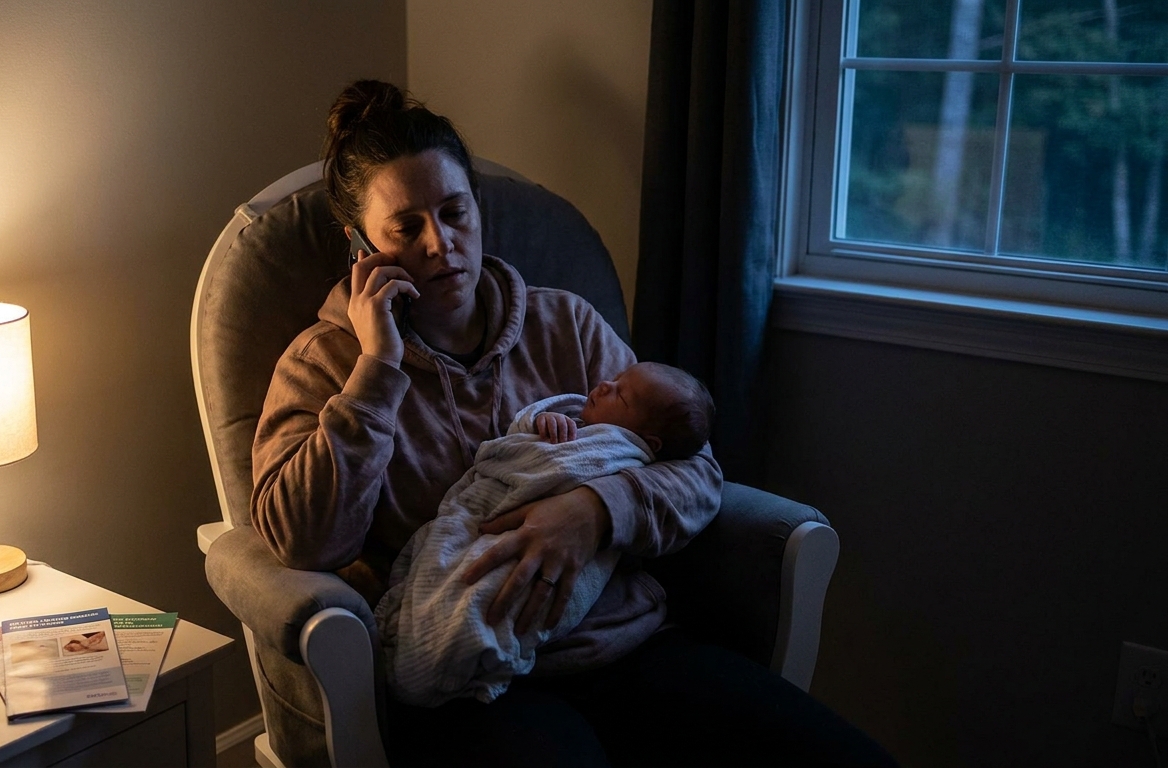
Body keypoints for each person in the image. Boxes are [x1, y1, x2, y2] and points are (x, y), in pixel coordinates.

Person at [251, 79, 895, 767]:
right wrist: (378, 371)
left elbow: (697, 470)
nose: (441, 243)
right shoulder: (325, 364)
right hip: (478, 681)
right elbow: (302, 541)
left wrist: (597, 507)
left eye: (455, 211)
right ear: (361, 246)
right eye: (407, 227)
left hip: (625, 644)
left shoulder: (565, 325)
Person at [376, 362, 714, 708]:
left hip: (624, 634)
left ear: (649, 441)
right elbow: (517, 447)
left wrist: (596, 507)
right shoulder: (576, 419)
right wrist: (540, 422)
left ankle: (458, 654)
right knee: (472, 583)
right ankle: (438, 656)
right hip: (525, 677)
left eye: (620, 392)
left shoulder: (621, 443)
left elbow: (698, 467)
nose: (603, 385)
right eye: (613, 380)